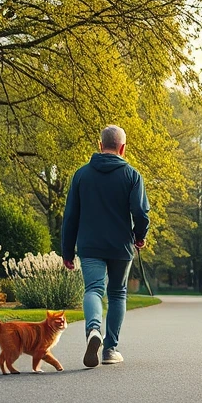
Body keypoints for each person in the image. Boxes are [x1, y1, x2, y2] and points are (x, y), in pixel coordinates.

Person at [62, 125, 150, 368]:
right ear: (123, 148)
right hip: (120, 246)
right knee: (117, 293)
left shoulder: (81, 175)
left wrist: (67, 250)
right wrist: (139, 235)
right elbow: (141, 212)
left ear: (100, 145)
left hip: (90, 245)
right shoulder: (132, 176)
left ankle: (93, 330)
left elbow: (70, 216)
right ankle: (110, 349)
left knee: (93, 289)